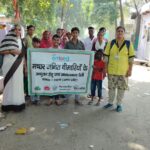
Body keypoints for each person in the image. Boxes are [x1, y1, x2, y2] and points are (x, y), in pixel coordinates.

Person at [103, 26, 135, 112]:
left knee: (121, 89)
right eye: (118, 31)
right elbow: (106, 57)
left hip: (123, 71)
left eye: (121, 31)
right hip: (112, 70)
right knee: (111, 88)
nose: (120, 33)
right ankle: (110, 102)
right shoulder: (111, 43)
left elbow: (131, 59)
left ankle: (119, 104)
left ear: (124, 33)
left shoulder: (128, 44)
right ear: (116, 33)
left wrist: (130, 70)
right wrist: (105, 68)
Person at [0, 24, 25, 112]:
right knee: (9, 84)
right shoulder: (7, 38)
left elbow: (23, 54)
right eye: (16, 30)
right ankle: (7, 104)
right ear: (13, 30)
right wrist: (11, 50)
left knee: (17, 84)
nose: (18, 31)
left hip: (19, 65)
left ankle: (18, 104)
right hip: (8, 64)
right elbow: (1, 51)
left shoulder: (22, 41)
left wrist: (24, 66)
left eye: (19, 30)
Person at [64, 27, 85, 105]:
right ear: (71, 33)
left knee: (78, 81)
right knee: (68, 81)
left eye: (76, 33)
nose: (75, 34)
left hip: (78, 67)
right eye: (74, 33)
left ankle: (77, 98)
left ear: (78, 34)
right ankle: (66, 98)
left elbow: (84, 55)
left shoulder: (81, 44)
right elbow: (64, 54)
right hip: (69, 67)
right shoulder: (67, 44)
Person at [47, 34, 64, 106]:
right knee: (50, 83)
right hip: (50, 70)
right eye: (55, 40)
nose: (56, 41)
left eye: (58, 40)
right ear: (52, 40)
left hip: (58, 71)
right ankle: (50, 98)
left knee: (57, 84)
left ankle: (57, 99)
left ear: (60, 41)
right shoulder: (49, 50)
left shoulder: (62, 51)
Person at [23, 25, 35, 97]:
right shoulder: (25, 39)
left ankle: (29, 91)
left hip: (32, 60)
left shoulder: (32, 38)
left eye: (33, 30)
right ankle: (26, 92)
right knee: (26, 76)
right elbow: (24, 51)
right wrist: (25, 64)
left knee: (30, 76)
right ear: (27, 30)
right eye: (30, 29)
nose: (32, 31)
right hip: (27, 60)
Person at [31, 37, 41, 105]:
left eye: (37, 43)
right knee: (32, 84)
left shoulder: (41, 51)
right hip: (32, 70)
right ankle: (32, 99)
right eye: (34, 42)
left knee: (38, 84)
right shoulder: (29, 51)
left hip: (39, 71)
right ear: (32, 43)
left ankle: (37, 98)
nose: (35, 44)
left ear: (39, 44)